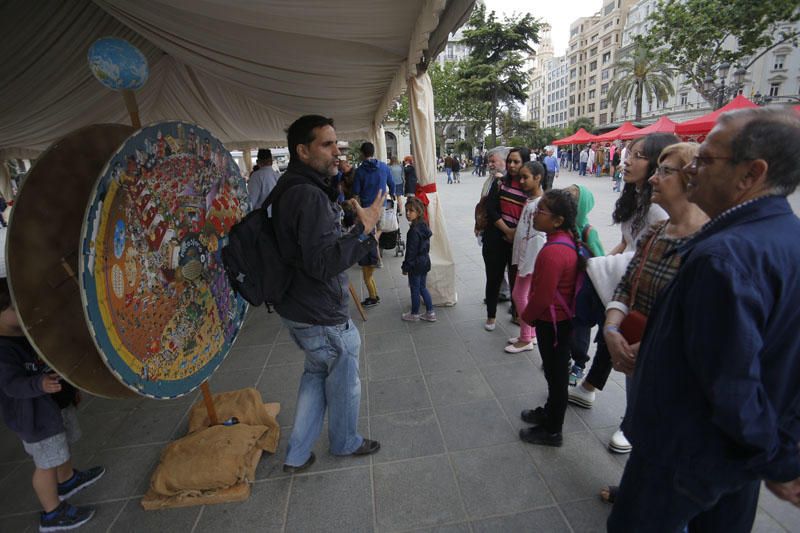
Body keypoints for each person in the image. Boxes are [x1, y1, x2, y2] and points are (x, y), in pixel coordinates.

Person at [607, 107, 800, 532]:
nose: (692, 169)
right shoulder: (784, 237)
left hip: (686, 453)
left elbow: (732, 380)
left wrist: (781, 461)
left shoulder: (724, 257)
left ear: (751, 174)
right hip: (734, 455)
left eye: (706, 159)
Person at [596, 142, 707, 504]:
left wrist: (648, 346)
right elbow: (627, 284)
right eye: (655, 168)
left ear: (694, 178)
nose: (655, 178)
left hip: (671, 365)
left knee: (668, 440)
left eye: (665, 171)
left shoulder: (712, 244)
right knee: (641, 423)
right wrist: (612, 330)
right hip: (634, 352)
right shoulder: (656, 233)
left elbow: (700, 320)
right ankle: (633, 488)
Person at [271, 115, 382, 473]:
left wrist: (351, 229)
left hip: (297, 305)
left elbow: (313, 247)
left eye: (337, 144)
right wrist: (364, 233)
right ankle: (345, 441)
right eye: (327, 144)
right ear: (303, 151)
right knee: (345, 379)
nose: (337, 152)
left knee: (316, 374)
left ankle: (297, 454)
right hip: (320, 311)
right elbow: (323, 264)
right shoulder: (308, 195)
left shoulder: (289, 186)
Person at [569, 133, 677, 455]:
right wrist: (604, 263)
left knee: (634, 356)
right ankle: (589, 387)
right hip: (627, 279)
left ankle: (631, 423)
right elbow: (630, 244)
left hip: (646, 290)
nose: (627, 160)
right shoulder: (638, 197)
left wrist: (603, 267)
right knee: (610, 335)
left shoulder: (662, 210)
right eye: (628, 153)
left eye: (638, 156)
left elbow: (645, 256)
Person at [0, 279, 105, 532]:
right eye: (15, 309)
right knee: (46, 463)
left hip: (54, 404)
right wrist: (39, 384)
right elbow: (11, 386)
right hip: (35, 419)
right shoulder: (3, 350)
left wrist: (71, 389)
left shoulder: (25, 332)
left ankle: (67, 480)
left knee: (62, 447)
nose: (23, 312)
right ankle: (52, 513)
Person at [518, 189, 586, 447]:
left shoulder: (553, 252)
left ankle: (553, 430)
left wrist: (527, 316)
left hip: (553, 324)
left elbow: (543, 295)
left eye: (541, 211)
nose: (535, 214)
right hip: (559, 322)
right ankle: (549, 412)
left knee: (557, 377)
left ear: (557, 220)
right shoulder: (564, 241)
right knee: (555, 374)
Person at [482, 148, 530, 331]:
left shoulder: (529, 186)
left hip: (519, 242)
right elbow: (491, 209)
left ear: (524, 163)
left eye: (516, 162)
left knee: (518, 280)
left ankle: (518, 314)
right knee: (493, 278)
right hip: (495, 237)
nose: (511, 165)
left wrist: (515, 234)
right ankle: (491, 315)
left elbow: (531, 215)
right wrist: (507, 231)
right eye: (510, 161)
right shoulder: (500, 183)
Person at [563, 184, 604, 385]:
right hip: (565, 290)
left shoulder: (588, 231)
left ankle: (579, 364)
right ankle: (565, 360)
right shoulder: (562, 228)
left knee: (580, 330)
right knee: (564, 327)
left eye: (571, 198)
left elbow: (600, 259)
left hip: (583, 293)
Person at [505, 161, 546, 353]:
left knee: (518, 294)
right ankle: (530, 333)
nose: (521, 181)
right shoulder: (532, 201)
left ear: (538, 178)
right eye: (520, 177)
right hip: (525, 256)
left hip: (529, 258)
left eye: (525, 177)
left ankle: (525, 338)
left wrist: (527, 263)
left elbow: (537, 236)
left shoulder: (539, 204)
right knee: (524, 294)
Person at [353, 142, 394, 307]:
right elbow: (392, 183)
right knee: (377, 232)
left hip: (367, 209)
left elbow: (356, 190)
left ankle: (374, 259)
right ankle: (377, 258)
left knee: (367, 236)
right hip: (382, 206)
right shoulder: (384, 167)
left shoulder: (360, 171)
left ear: (363, 154)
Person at [400, 197, 436, 322]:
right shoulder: (423, 226)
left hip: (415, 264)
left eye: (411, 211)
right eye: (406, 210)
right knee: (422, 287)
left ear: (419, 212)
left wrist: (406, 267)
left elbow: (410, 253)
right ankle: (430, 312)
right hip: (425, 261)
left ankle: (414, 313)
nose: (408, 214)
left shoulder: (413, 231)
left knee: (415, 289)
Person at [247, 148, 280, 212]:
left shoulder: (256, 176)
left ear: (257, 162)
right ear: (271, 162)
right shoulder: (278, 176)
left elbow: (251, 200)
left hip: (262, 216)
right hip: (277, 214)